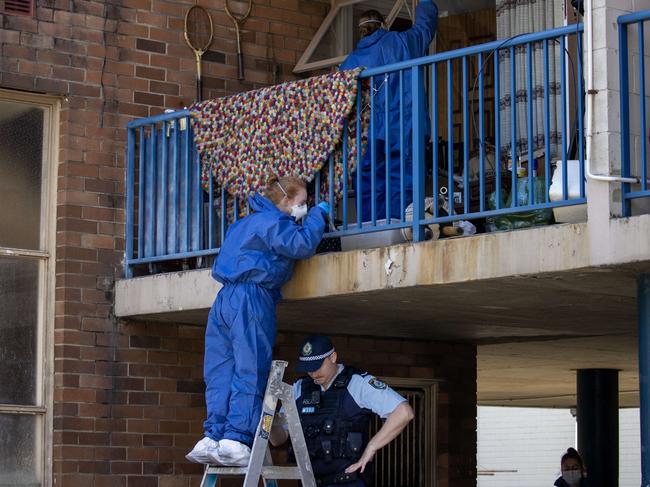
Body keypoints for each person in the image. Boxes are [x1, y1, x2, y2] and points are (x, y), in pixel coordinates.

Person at [186, 176, 329, 466]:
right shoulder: (274, 221)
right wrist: (318, 216)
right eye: (302, 203)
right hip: (252, 297)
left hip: (223, 299)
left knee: (220, 370)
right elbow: (301, 245)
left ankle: (212, 436)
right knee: (250, 367)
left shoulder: (242, 224)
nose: (303, 208)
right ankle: (237, 438)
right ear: (286, 201)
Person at [340, 0, 439, 222]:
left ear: (361, 31)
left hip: (366, 133)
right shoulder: (401, 42)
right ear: (383, 24)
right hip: (404, 126)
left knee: (370, 184)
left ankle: (371, 229)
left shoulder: (349, 63)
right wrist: (424, 3)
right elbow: (425, 27)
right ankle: (402, 229)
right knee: (403, 180)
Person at [270, 335, 414, 486]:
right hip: (310, 482)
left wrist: (371, 448)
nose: (313, 373)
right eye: (308, 369)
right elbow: (278, 439)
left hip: (347, 481)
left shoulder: (357, 383)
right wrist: (266, 417)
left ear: (333, 357)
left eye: (317, 366)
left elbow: (404, 412)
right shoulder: (300, 387)